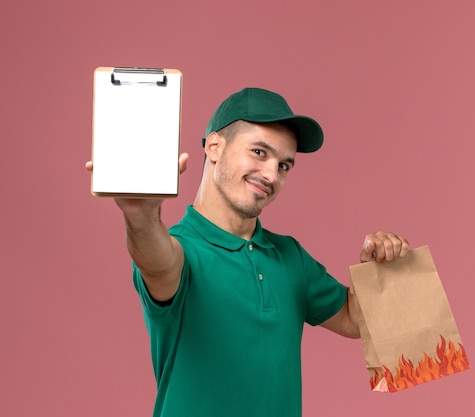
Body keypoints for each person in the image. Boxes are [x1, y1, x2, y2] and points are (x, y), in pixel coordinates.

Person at [87, 87, 409, 417]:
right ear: (214, 146)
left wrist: (379, 271)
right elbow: (157, 264)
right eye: (259, 152)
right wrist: (141, 217)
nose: (271, 174)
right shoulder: (181, 249)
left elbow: (355, 321)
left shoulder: (289, 256)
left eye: (284, 165)